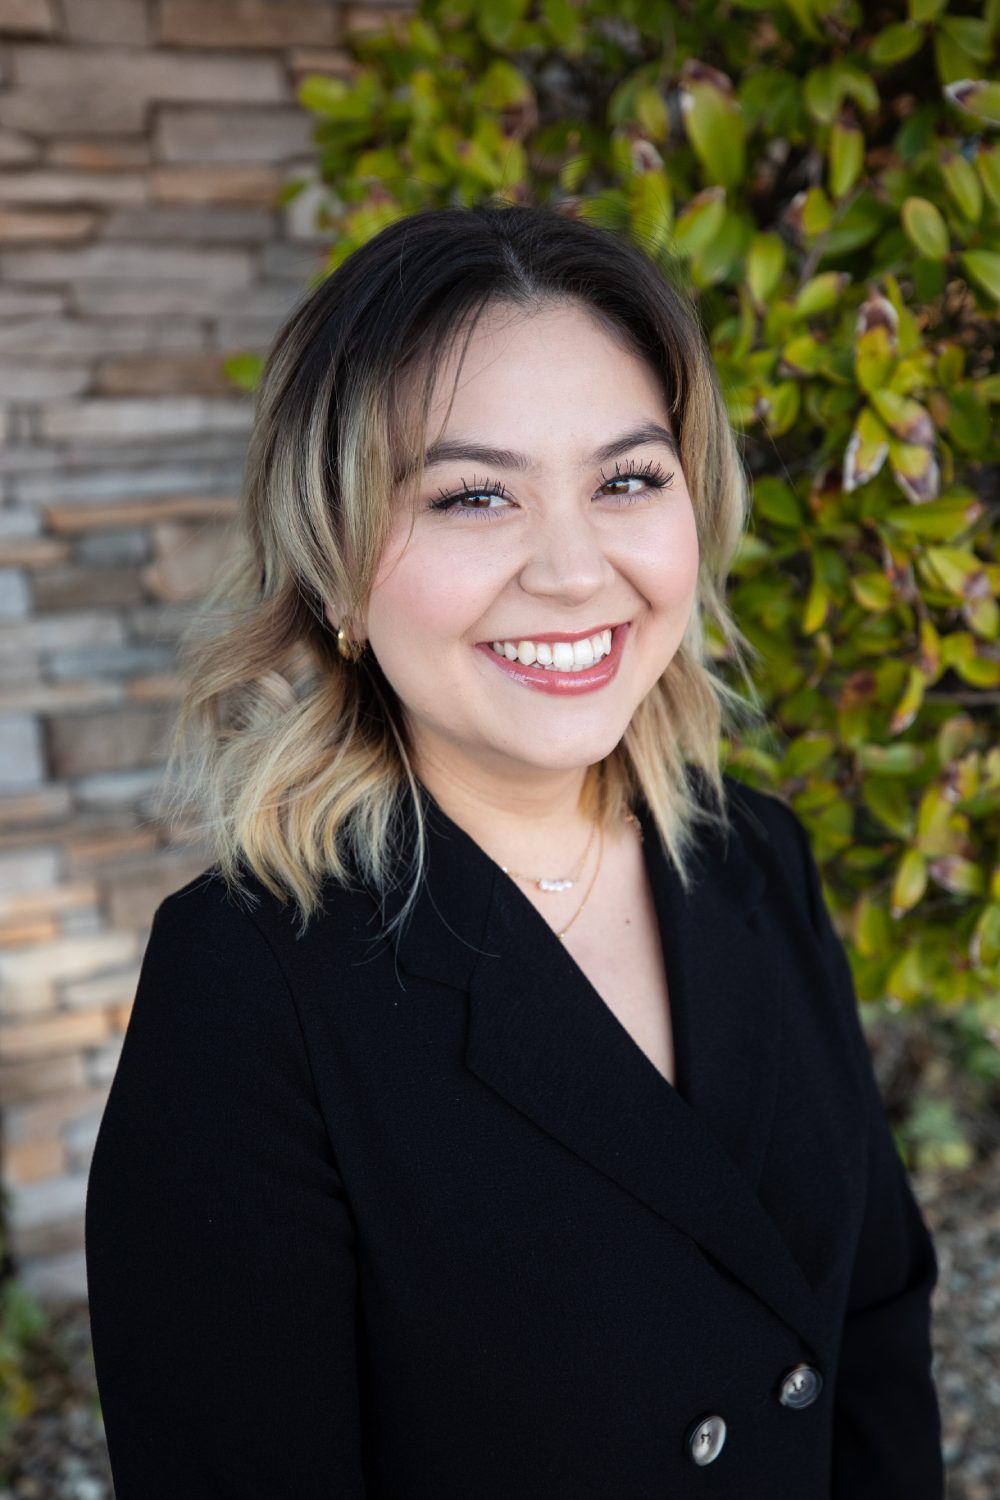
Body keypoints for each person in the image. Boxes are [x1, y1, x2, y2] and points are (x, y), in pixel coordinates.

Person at [84, 202, 943, 1498]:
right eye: (474, 494)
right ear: (331, 569)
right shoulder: (252, 984)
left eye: (627, 480)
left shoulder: (751, 856)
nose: (573, 568)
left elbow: (874, 1327)